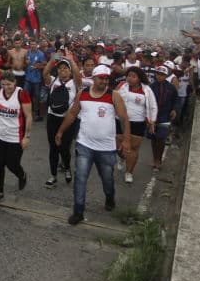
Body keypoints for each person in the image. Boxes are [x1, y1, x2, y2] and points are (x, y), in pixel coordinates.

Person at [54, 65, 130, 224]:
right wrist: (60, 131)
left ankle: (109, 197)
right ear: (94, 78)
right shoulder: (83, 94)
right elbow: (73, 113)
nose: (104, 81)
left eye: (107, 78)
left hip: (106, 148)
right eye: (101, 78)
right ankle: (78, 211)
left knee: (107, 178)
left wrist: (126, 140)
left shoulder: (113, 96)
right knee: (80, 178)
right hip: (84, 145)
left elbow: (124, 118)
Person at [0, 73, 33, 202]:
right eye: (3, 84)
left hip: (15, 136)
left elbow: (28, 116)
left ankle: (22, 175)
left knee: (12, 164)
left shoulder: (22, 94)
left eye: (9, 84)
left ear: (15, 82)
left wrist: (27, 136)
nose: (6, 87)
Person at [42, 51, 81, 188]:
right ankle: (53, 176)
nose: (62, 70)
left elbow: (78, 76)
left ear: (69, 71)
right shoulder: (53, 81)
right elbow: (45, 73)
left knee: (64, 148)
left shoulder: (74, 83)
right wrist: (52, 59)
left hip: (67, 120)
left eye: (65, 68)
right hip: (52, 118)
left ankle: (67, 167)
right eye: (60, 68)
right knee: (53, 148)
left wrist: (71, 61)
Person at [117, 66, 157, 183]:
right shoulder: (122, 86)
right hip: (120, 121)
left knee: (133, 148)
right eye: (128, 76)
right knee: (118, 145)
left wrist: (152, 120)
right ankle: (122, 157)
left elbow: (153, 106)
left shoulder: (147, 90)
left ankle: (129, 172)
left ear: (139, 78)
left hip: (138, 122)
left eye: (133, 76)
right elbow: (114, 99)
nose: (130, 78)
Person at [148, 65, 178, 171]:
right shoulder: (151, 87)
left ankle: (159, 160)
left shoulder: (171, 87)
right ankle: (154, 158)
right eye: (158, 74)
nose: (160, 76)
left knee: (161, 137)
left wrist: (174, 109)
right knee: (153, 137)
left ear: (166, 76)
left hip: (165, 115)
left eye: (162, 75)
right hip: (153, 115)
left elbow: (175, 99)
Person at [24, 40, 47, 121]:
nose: (32, 46)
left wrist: (37, 67)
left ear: (37, 45)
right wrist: (26, 61)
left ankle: (36, 112)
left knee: (36, 96)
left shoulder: (41, 54)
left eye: (34, 44)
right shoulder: (28, 52)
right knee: (26, 94)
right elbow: (25, 60)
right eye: (31, 44)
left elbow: (45, 64)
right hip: (28, 78)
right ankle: (26, 111)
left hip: (37, 79)